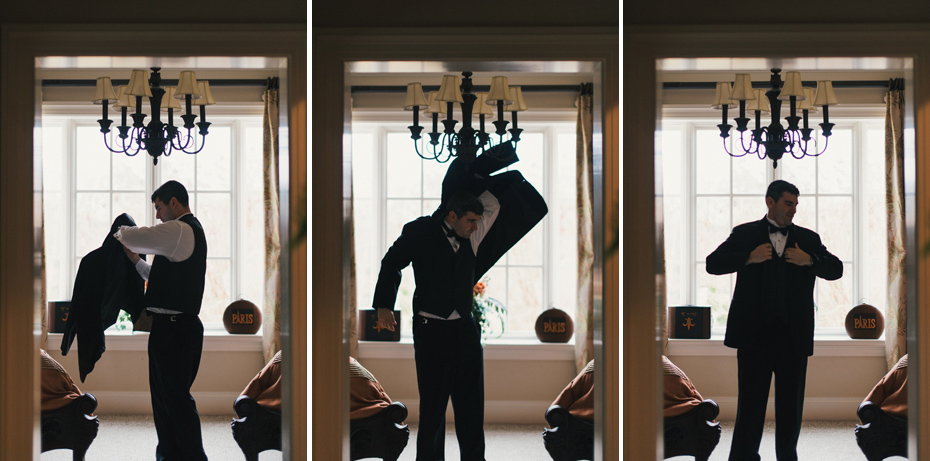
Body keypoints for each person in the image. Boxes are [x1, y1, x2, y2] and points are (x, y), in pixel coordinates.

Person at [706, 179, 843, 461]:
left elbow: (836, 269)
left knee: (790, 406)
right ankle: (743, 457)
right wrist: (748, 257)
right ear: (770, 202)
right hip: (754, 336)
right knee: (751, 404)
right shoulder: (745, 234)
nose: (793, 209)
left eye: (795, 204)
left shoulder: (808, 239)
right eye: (788, 203)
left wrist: (810, 261)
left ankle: (787, 457)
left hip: (793, 335)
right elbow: (712, 263)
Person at [373, 186, 499, 461]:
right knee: (433, 407)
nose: (475, 226)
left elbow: (493, 205)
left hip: (465, 331)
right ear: (452, 216)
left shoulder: (473, 235)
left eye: (477, 221)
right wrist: (384, 305)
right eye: (469, 220)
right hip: (432, 331)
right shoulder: (420, 232)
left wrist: (470, 177)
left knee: (471, 407)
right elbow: (392, 262)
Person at [115, 180, 209, 461]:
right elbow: (160, 280)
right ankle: (169, 456)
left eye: (158, 207)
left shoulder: (180, 229)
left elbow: (133, 235)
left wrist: (118, 229)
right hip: (170, 330)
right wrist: (135, 263)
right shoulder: (183, 235)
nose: (157, 215)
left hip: (175, 332)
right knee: (165, 402)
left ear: (174, 203)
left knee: (176, 402)